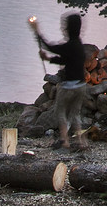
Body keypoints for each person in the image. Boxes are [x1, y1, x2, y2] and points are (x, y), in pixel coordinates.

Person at [28, 12, 89, 151]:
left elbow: (49, 47)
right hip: (81, 85)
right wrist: (49, 59)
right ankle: (80, 141)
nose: (63, 28)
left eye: (65, 26)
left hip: (68, 86)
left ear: (68, 28)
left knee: (60, 111)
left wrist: (37, 31)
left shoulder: (69, 45)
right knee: (75, 114)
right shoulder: (78, 46)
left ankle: (64, 140)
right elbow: (65, 59)